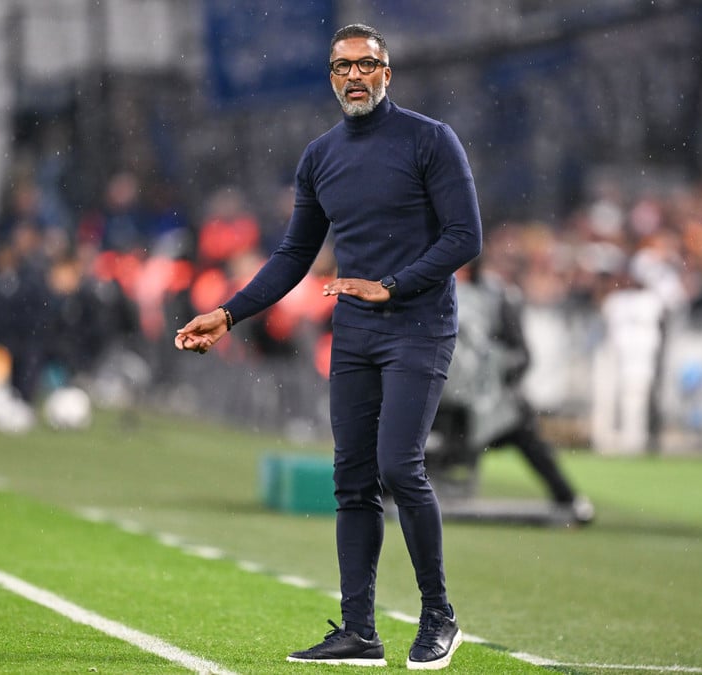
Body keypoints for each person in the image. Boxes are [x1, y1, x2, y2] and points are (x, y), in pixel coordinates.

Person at [175, 24, 480, 669]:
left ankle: (439, 616)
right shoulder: (320, 156)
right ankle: (359, 631)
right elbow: (294, 254)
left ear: (387, 73)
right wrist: (229, 314)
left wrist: (391, 285)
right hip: (357, 333)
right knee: (352, 478)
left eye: (366, 64)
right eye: (342, 67)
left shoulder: (430, 139)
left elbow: (464, 237)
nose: (354, 76)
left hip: (420, 326)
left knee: (399, 466)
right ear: (332, 78)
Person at [434, 261, 595, 524]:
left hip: (488, 399)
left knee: (525, 432)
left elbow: (521, 354)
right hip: (443, 403)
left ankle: (568, 498)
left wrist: (496, 376)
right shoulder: (431, 290)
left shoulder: (496, 297)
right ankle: (382, 490)